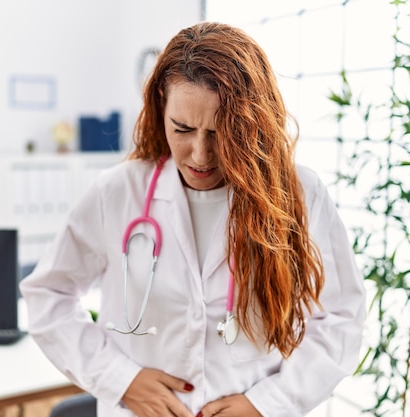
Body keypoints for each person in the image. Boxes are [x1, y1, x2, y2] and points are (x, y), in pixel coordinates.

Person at [20, 21, 365, 417]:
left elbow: (341, 318)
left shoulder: (299, 193)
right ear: (160, 109)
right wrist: (119, 379)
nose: (200, 155)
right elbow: (48, 296)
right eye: (182, 128)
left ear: (254, 127)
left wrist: (268, 403)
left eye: (222, 134)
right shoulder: (117, 192)